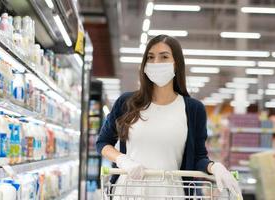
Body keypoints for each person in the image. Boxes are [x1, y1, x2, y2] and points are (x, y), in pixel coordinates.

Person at [96, 35, 243, 199]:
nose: (156, 63)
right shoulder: (127, 102)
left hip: (171, 193)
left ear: (176, 64)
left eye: (164, 56)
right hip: (129, 192)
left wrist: (214, 167)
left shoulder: (193, 109)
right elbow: (103, 142)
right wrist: (122, 160)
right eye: (150, 57)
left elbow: (198, 157)